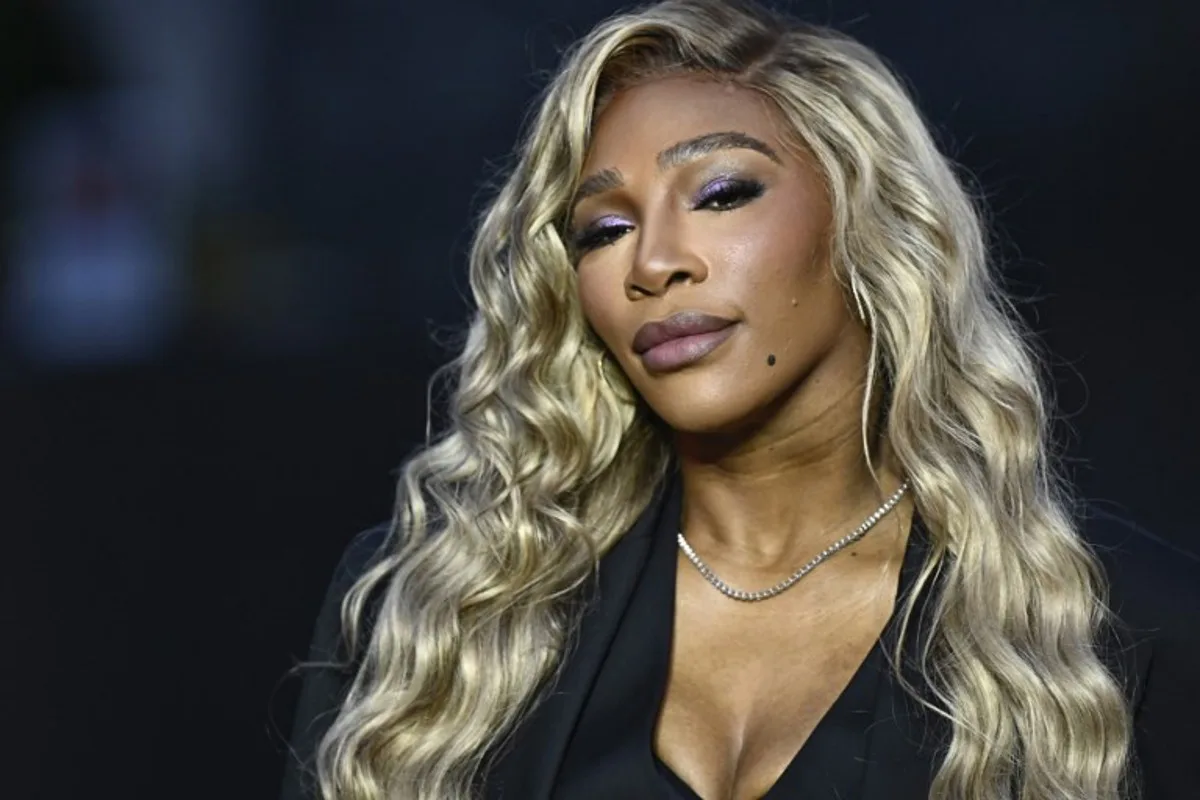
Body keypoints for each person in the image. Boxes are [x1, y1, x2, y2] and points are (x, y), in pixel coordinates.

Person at [278, 1, 1200, 798]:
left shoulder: (1119, 631)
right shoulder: (444, 614)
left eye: (720, 193)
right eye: (603, 229)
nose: (652, 263)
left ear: (867, 223)